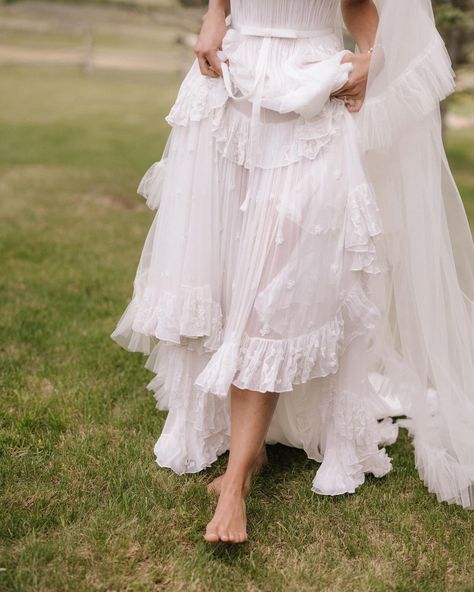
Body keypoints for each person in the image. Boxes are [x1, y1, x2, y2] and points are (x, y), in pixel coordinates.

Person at [111, 0, 474, 544]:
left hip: (309, 102)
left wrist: (374, 56)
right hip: (229, 89)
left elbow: (362, 6)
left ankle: (235, 482)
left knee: (271, 295)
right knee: (223, 277)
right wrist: (215, 15)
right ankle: (249, 449)